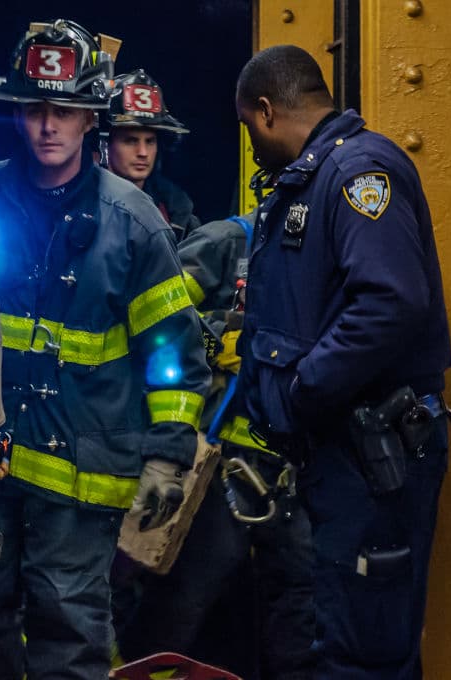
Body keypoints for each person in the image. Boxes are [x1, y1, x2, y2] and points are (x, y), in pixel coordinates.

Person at [0, 19, 211, 680]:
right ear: (17, 113)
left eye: (64, 110)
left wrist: (169, 457)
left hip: (80, 476)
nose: (48, 125)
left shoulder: (134, 222)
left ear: (92, 119)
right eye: (35, 108)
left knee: (69, 630)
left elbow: (171, 350)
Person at [235, 44, 451, 678]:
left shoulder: (360, 172)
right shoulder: (316, 174)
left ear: (269, 111)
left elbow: (390, 301)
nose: (252, 145)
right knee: (342, 633)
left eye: (250, 127)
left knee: (365, 649)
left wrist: (306, 387)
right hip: (343, 450)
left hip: (370, 451)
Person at [112, 207, 317, 680]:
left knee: (301, 603)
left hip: (291, 469)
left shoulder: (323, 249)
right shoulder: (226, 242)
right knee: (184, 601)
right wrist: (217, 336)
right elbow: (158, 324)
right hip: (225, 467)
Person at [101, 69, 200, 240]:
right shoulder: (81, 205)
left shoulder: (178, 213)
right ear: (105, 144)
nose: (143, 153)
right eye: (131, 141)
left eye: (150, 141)